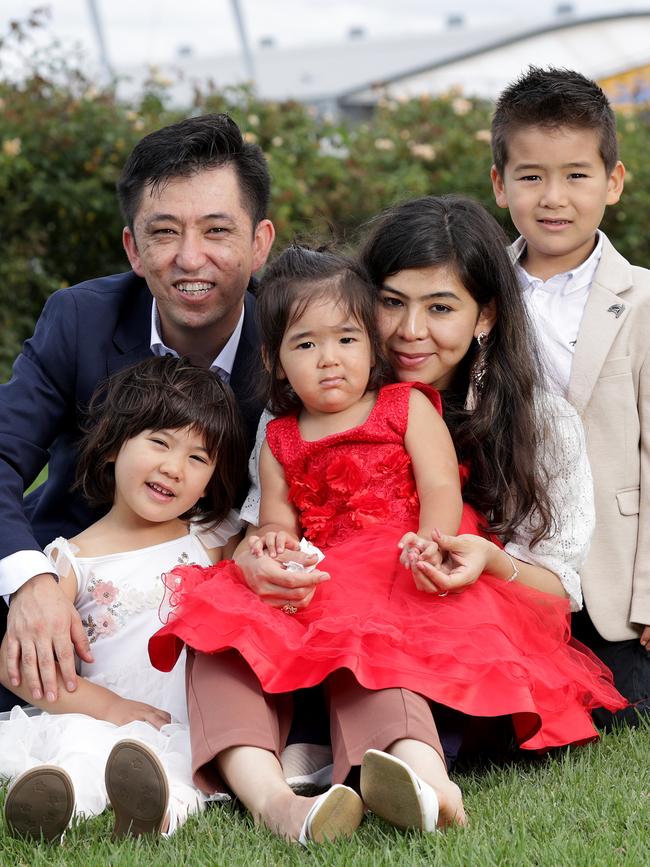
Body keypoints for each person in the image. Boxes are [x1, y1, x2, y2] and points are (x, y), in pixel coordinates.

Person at [149, 239, 625, 840]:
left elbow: (439, 488)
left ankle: (424, 777)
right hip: (322, 570)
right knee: (220, 630)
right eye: (305, 345)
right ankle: (275, 801)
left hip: (401, 559)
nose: (329, 360)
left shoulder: (403, 406)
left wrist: (431, 541)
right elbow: (275, 519)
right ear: (274, 360)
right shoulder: (282, 437)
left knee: (371, 647)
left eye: (346, 340)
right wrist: (272, 549)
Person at [0, 112, 285, 712]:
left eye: (216, 231)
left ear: (259, 243)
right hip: (78, 583)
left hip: (222, 590)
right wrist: (30, 581)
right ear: (133, 247)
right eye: (164, 233)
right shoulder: (80, 319)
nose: (189, 258)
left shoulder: (294, 343)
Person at [0, 356, 246, 842]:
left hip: (188, 720)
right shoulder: (70, 561)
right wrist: (110, 708)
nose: (174, 468)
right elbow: (24, 672)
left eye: (198, 458)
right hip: (105, 717)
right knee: (82, 748)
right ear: (113, 446)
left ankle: (155, 810)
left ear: (211, 478)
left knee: (176, 767)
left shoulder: (215, 537)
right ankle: (57, 805)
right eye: (160, 442)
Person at [490, 66, 650, 724]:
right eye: (531, 176)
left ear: (612, 181)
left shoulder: (642, 298)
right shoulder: (479, 292)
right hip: (512, 556)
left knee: (621, 706)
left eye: (577, 175)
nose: (554, 196)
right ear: (500, 184)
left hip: (613, 573)